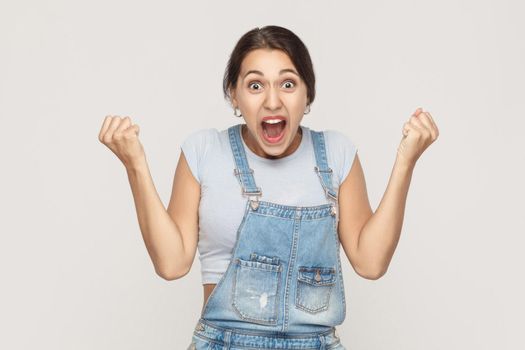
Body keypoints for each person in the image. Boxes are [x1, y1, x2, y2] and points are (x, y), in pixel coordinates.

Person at [98, 25, 439, 350]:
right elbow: (171, 264)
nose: (273, 101)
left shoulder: (336, 153)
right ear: (234, 94)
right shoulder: (204, 151)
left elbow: (371, 262)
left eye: (288, 84)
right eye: (255, 85)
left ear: (307, 94)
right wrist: (135, 165)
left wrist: (406, 162)